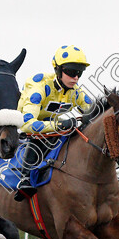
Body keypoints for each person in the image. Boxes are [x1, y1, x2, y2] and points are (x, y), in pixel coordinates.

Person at [13, 45, 94, 201]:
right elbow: (27, 124)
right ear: (58, 69)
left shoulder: (76, 91)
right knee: (43, 136)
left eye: (79, 73)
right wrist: (59, 125)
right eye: (71, 72)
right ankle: (25, 178)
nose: (75, 78)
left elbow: (94, 111)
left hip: (50, 126)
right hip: (24, 126)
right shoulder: (39, 87)